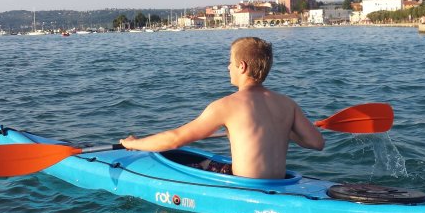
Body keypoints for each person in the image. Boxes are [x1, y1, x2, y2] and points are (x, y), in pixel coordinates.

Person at [119, 37, 325, 179]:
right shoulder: (287, 103)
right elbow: (317, 142)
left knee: (189, 166)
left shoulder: (227, 105)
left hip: (245, 186)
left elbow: (175, 140)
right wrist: (283, 130)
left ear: (242, 66)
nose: (228, 67)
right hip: (280, 183)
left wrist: (135, 144)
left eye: (230, 62)